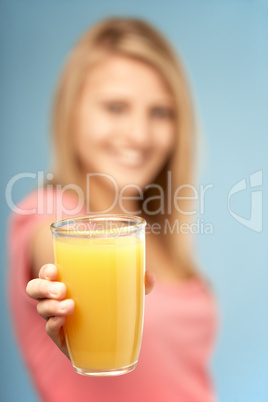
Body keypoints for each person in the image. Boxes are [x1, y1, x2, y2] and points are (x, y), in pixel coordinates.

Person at [8, 17, 217, 402]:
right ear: (71, 113)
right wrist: (63, 300)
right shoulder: (49, 209)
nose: (139, 134)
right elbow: (53, 245)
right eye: (116, 107)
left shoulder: (156, 233)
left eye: (160, 112)